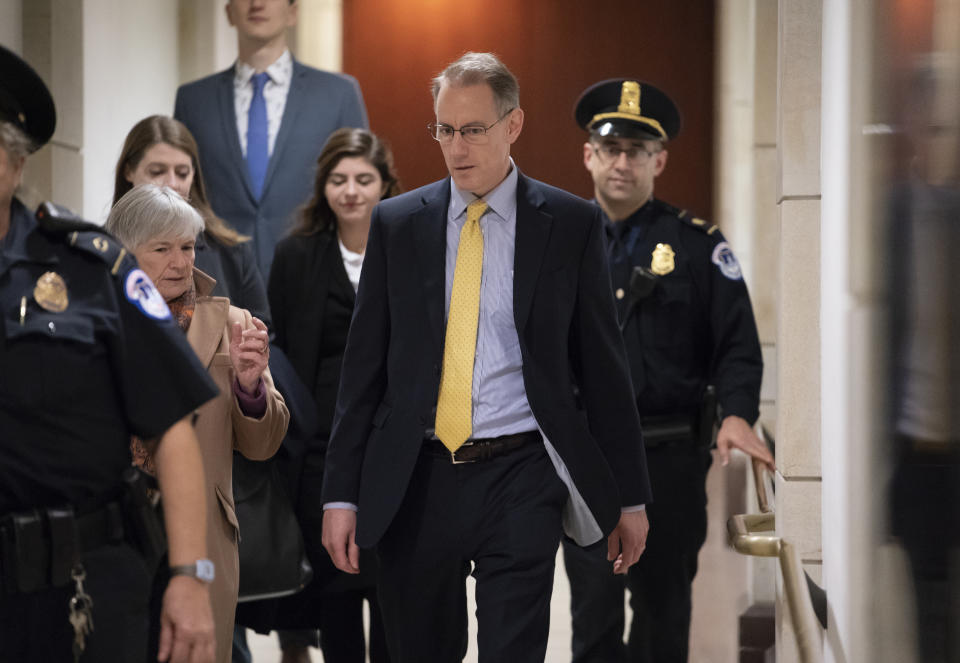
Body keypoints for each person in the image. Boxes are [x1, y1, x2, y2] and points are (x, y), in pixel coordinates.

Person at [321, 52, 652, 663]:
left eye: (473, 129)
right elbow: (361, 375)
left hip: (521, 473)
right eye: (445, 129)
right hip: (417, 475)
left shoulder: (569, 224)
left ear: (513, 125)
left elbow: (605, 370)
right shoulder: (397, 224)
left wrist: (629, 497)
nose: (457, 147)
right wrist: (340, 495)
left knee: (513, 651)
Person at [0, 45, 217, 662]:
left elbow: (173, 425)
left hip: (81, 582)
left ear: (17, 163)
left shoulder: (95, 269)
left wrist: (189, 577)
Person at [562, 78, 774, 663]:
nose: (623, 162)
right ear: (589, 156)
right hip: (589, 461)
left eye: (637, 150)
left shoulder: (699, 247)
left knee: (663, 614)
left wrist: (736, 414)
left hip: (671, 463)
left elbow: (737, 345)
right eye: (611, 148)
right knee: (594, 616)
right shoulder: (556, 245)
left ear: (660, 159)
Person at [105, 184, 290, 663]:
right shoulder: (97, 322)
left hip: (203, 538)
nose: (180, 262)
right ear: (125, 252)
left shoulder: (232, 322)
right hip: (113, 535)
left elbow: (263, 445)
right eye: (162, 248)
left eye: (187, 247)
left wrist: (251, 389)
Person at [267, 127, 400, 663]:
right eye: (339, 180)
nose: (351, 191)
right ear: (323, 186)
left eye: (364, 180)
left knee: (391, 586)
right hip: (321, 447)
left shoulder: (411, 247)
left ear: (386, 185)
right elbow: (283, 355)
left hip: (393, 444)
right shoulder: (295, 255)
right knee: (336, 587)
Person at [174, 0, 368, 280]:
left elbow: (363, 189)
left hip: (315, 277)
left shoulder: (338, 94)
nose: (257, 3)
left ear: (293, 12)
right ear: (228, 12)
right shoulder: (193, 100)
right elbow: (182, 195)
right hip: (221, 278)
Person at [114, 115, 271, 326]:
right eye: (157, 171)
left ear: (194, 176)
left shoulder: (232, 252)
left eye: (182, 173)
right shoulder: (102, 249)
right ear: (128, 172)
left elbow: (263, 335)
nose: (171, 184)